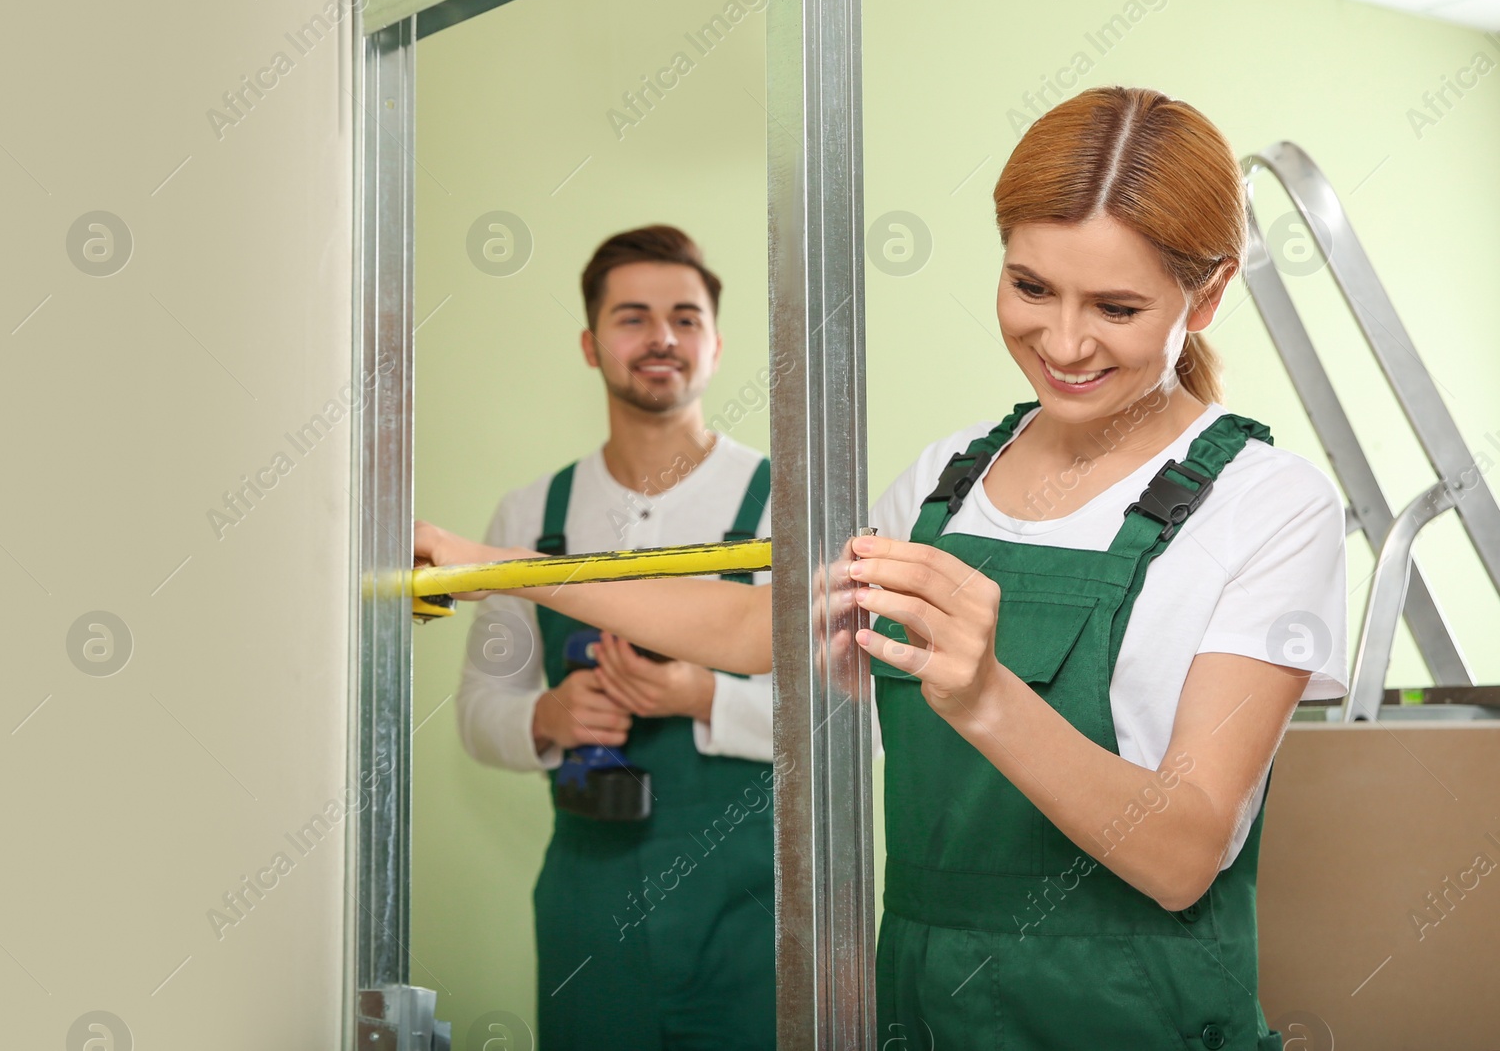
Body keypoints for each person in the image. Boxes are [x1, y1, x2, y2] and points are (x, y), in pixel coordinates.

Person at [416, 87, 1349, 1049]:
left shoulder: (1270, 506)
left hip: (1136, 1015)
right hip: (922, 1009)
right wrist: (484, 564)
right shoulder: (947, 482)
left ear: (1209, 294)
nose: (1064, 343)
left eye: (1116, 307)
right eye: (1030, 288)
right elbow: (754, 631)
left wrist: (986, 694)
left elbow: (1183, 852)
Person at [450, 225, 778, 1051]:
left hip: (753, 910)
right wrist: (549, 719)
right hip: (586, 910)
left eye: (685, 317)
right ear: (592, 345)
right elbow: (480, 711)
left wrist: (702, 695)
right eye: (633, 317)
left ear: (715, 342)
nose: (662, 337)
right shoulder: (530, 518)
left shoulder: (786, 504)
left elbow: (859, 723)